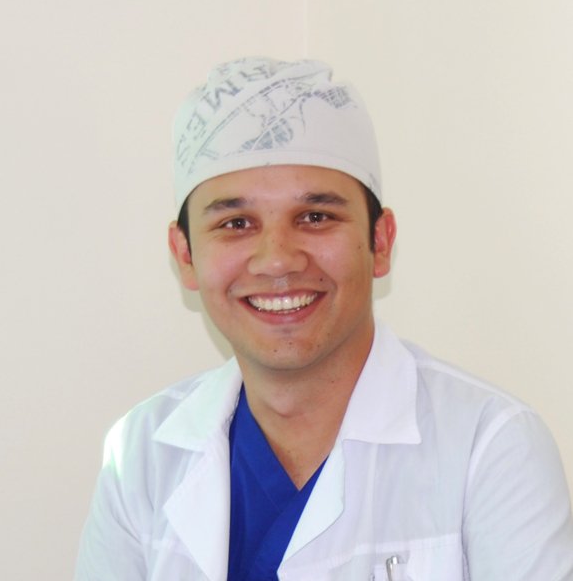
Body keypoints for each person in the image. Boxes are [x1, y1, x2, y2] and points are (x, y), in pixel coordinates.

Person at [75, 57, 573, 580]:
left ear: (380, 242)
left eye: (315, 217)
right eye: (236, 223)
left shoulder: (490, 448)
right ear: (185, 256)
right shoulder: (139, 457)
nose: (277, 260)